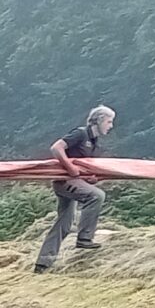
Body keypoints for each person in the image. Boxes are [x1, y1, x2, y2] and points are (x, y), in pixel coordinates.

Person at [34, 105, 115, 272]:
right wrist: (69, 168)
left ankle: (42, 263)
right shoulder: (80, 133)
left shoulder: (94, 142)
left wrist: (90, 178)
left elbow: (83, 168)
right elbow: (56, 148)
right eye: (109, 121)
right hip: (64, 181)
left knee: (64, 223)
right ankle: (84, 238)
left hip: (74, 182)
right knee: (96, 196)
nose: (111, 125)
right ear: (99, 120)